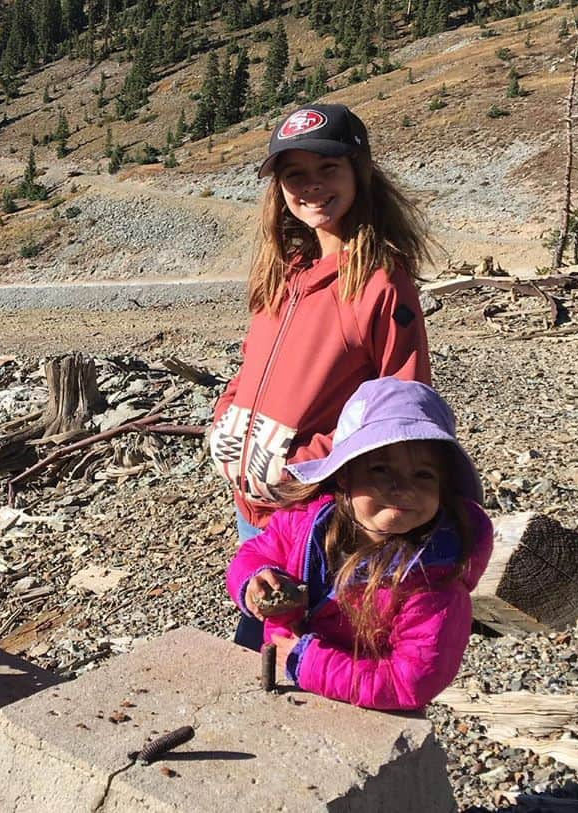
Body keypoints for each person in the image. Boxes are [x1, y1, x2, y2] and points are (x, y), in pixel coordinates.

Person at [209, 102, 434, 648]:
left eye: (327, 168)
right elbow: (251, 367)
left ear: (359, 170)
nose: (311, 187)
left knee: (298, 644)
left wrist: (306, 465)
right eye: (294, 175)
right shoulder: (286, 270)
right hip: (254, 501)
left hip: (314, 510)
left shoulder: (381, 282)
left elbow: (402, 410)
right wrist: (224, 423)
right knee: (263, 628)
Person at [225, 378, 493, 710]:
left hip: (361, 709)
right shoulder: (305, 521)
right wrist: (254, 578)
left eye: (424, 475)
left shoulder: (434, 581)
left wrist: (307, 662)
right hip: (278, 670)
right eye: (381, 469)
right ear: (343, 474)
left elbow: (410, 682)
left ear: (444, 486)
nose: (403, 489)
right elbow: (254, 553)